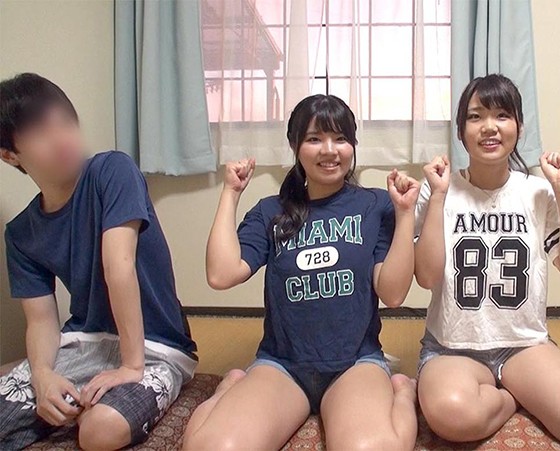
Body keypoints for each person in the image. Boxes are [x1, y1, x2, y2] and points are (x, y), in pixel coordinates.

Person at [182, 94, 420, 450]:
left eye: (340, 138)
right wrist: (230, 193)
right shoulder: (271, 211)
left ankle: (402, 392)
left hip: (354, 363)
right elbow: (221, 275)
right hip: (282, 365)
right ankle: (231, 386)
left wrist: (404, 215)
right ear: (295, 146)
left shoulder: (375, 205)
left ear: (353, 145)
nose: (329, 150)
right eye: (314, 139)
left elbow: (393, 294)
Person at [414, 74, 560, 449]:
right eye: (475, 116)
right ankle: (514, 396)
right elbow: (426, 277)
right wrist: (440, 197)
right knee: (452, 417)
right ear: (460, 131)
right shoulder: (439, 188)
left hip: (523, 344)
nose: (489, 127)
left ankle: (520, 383)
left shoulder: (538, 191)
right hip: (452, 345)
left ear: (520, 127)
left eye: (502, 115)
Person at [0, 73, 197, 450]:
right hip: (83, 343)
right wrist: (42, 375)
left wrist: (131, 367)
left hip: (155, 346)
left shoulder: (113, 170)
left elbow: (118, 267)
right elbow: (41, 320)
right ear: (10, 154)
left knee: (99, 431)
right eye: (40, 132)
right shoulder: (22, 233)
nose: (61, 139)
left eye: (65, 122)